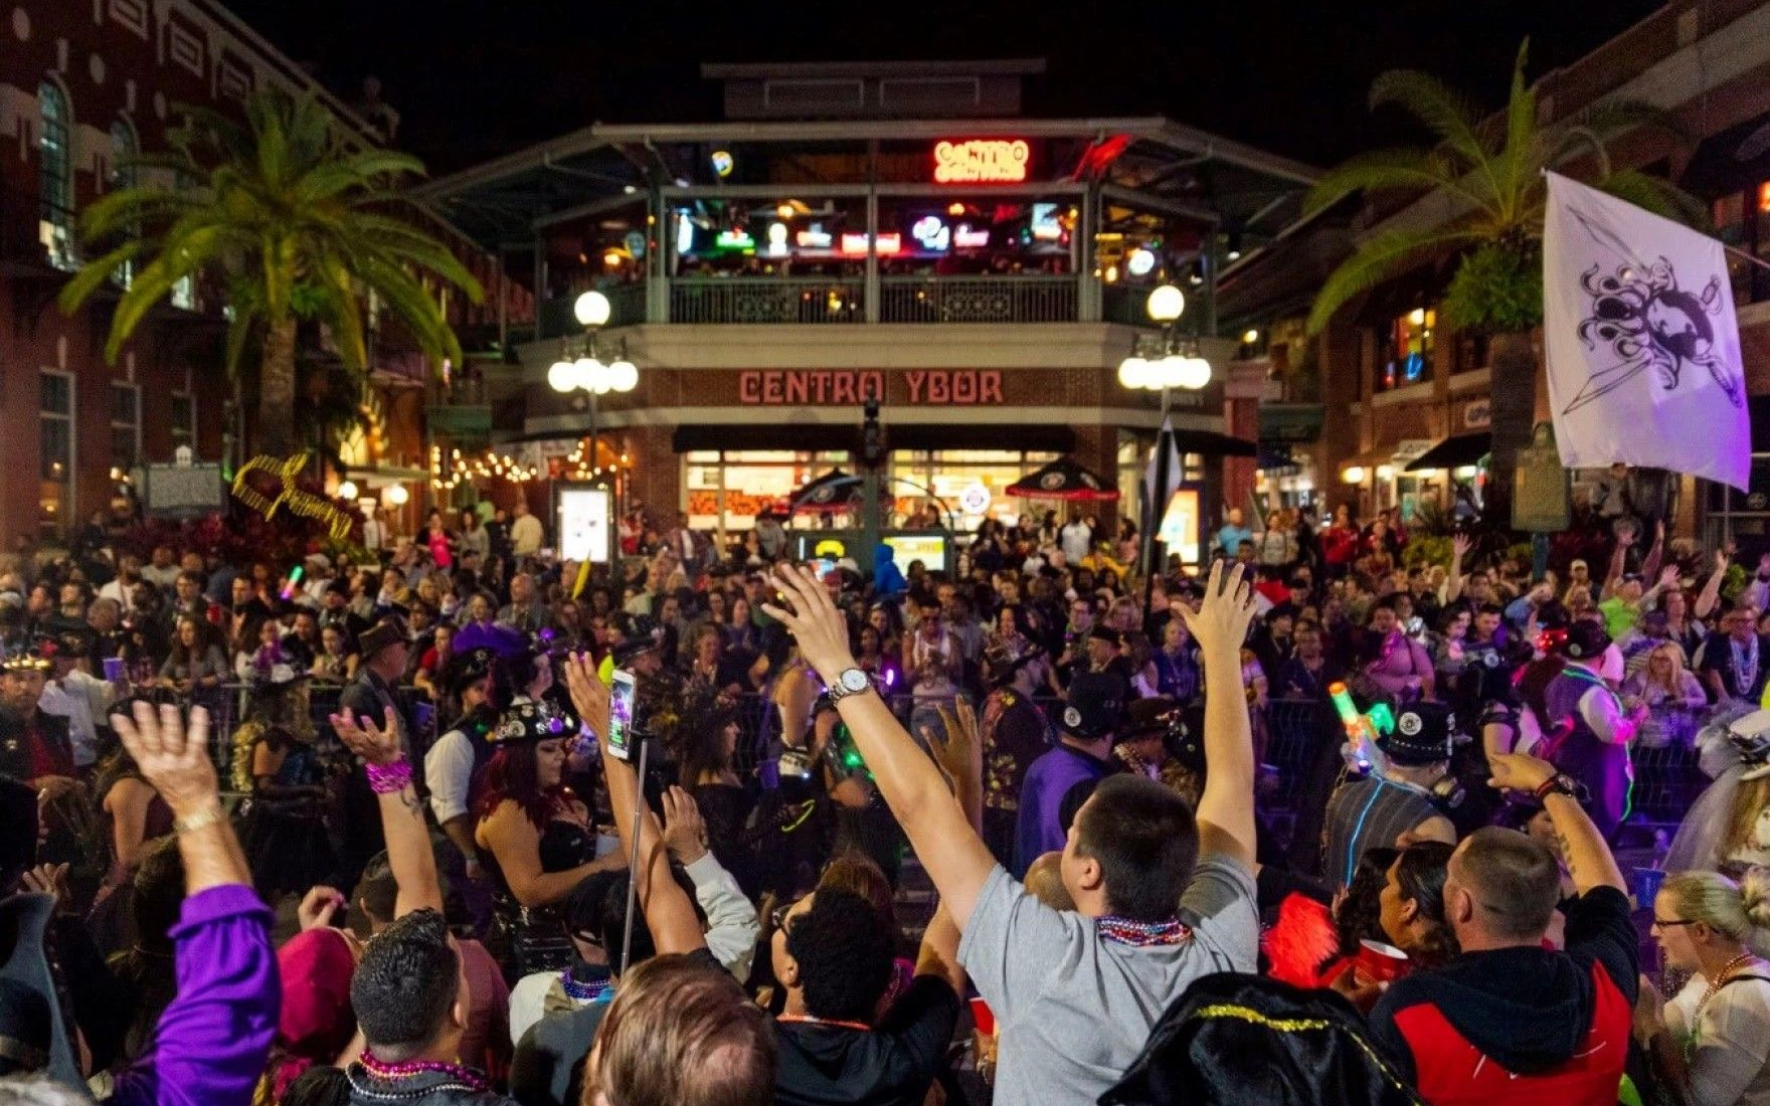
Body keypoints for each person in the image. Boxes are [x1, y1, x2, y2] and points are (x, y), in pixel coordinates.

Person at [760, 560, 1263, 1106]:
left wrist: (836, 661)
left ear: (1089, 873)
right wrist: (1221, 651)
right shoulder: (1223, 953)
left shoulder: (1046, 960)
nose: (1065, 835)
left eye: (1074, 834)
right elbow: (1233, 785)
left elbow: (921, 806)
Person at [1367, 751, 1637, 1106]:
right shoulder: (1605, 982)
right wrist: (1550, 785)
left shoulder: (1408, 1011)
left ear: (1461, 905)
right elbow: (1606, 889)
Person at [1635, 868, 1770, 1106]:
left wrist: (1652, 1023)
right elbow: (1674, 1021)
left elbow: (1696, 1101)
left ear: (1701, 931)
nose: (1653, 932)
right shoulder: (1709, 978)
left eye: (1662, 923)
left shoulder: (1743, 997)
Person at [1523, 620, 1643, 839]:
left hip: (1569, 770)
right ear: (1602, 657)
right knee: (1591, 838)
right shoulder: (1592, 690)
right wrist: (1636, 719)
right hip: (1593, 779)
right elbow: (1609, 732)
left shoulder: (1559, 680)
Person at [1320, 701, 1460, 888]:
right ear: (1437, 767)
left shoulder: (1343, 793)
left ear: (1387, 757)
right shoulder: (1436, 827)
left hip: (1328, 911)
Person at [1011, 671, 1122, 877]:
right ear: (1107, 735)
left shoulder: (1039, 765)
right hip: (1064, 902)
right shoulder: (1090, 787)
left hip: (1029, 893)